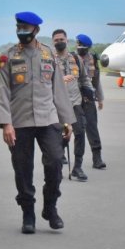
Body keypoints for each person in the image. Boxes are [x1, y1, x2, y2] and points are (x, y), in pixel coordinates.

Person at [0, 12, 75, 234]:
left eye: (25, 27)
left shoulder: (48, 54)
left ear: (36, 30)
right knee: (23, 169)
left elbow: (58, 89)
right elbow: (3, 91)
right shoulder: (8, 57)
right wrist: (6, 124)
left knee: (55, 162)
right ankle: (28, 213)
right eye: (18, 27)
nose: (21, 31)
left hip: (48, 118)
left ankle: (50, 207)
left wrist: (66, 121)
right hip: (19, 121)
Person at [52, 29, 95, 182]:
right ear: (53, 42)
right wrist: (62, 79)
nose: (59, 42)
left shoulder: (75, 59)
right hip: (58, 106)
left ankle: (77, 167)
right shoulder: (50, 60)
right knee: (60, 137)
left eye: (61, 39)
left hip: (76, 103)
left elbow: (84, 78)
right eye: (56, 40)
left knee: (80, 133)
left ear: (66, 40)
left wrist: (90, 92)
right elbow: (44, 83)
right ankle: (57, 165)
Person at [76, 34, 107, 169]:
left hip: (88, 99)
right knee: (67, 127)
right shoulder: (71, 59)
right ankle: (61, 154)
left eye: (82, 46)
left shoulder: (93, 60)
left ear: (87, 47)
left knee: (92, 127)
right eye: (78, 45)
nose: (79, 48)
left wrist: (99, 98)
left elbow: (96, 81)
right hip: (73, 99)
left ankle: (97, 157)